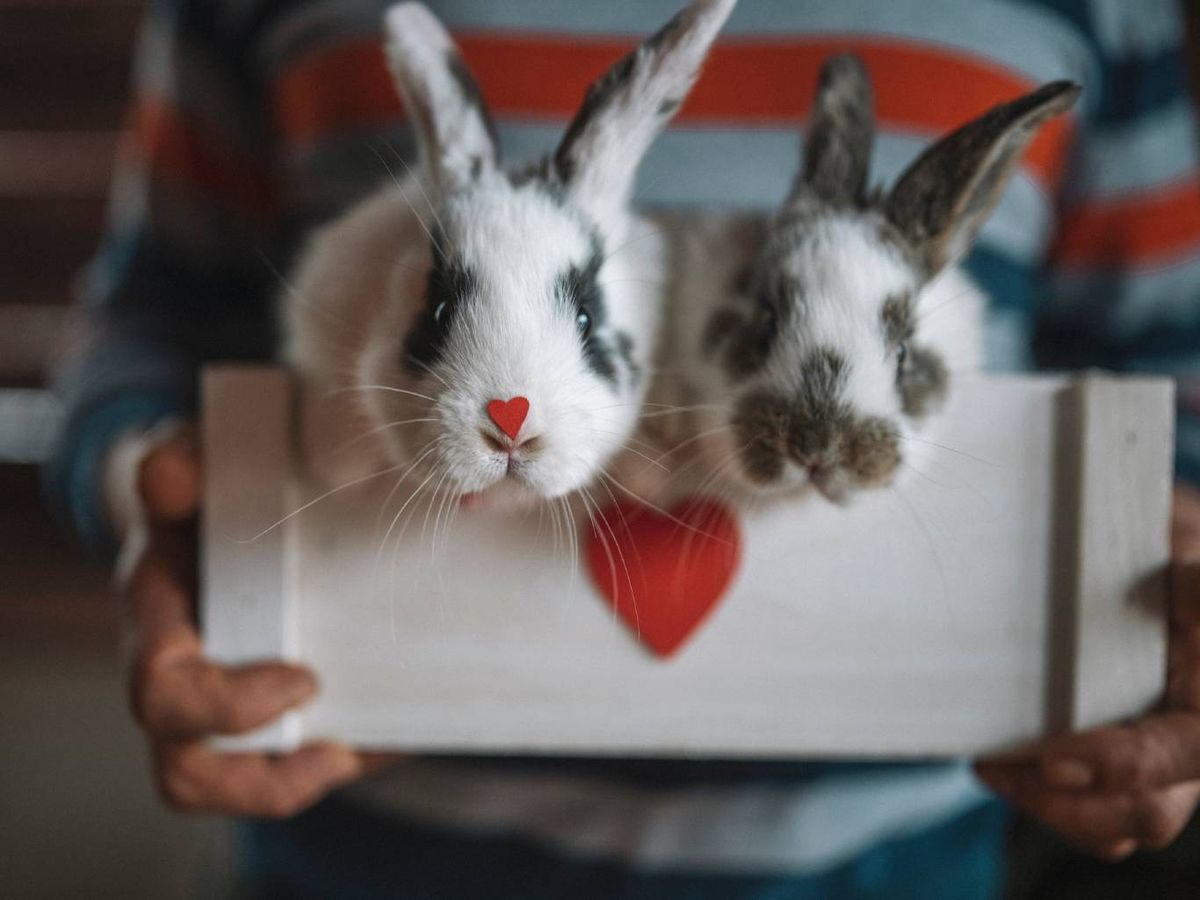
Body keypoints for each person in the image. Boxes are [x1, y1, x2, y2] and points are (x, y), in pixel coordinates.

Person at [47, 0, 1200, 897]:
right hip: (367, 853)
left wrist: (1159, 604)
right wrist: (149, 497)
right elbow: (144, 322)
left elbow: (1170, 386)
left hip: (897, 860)